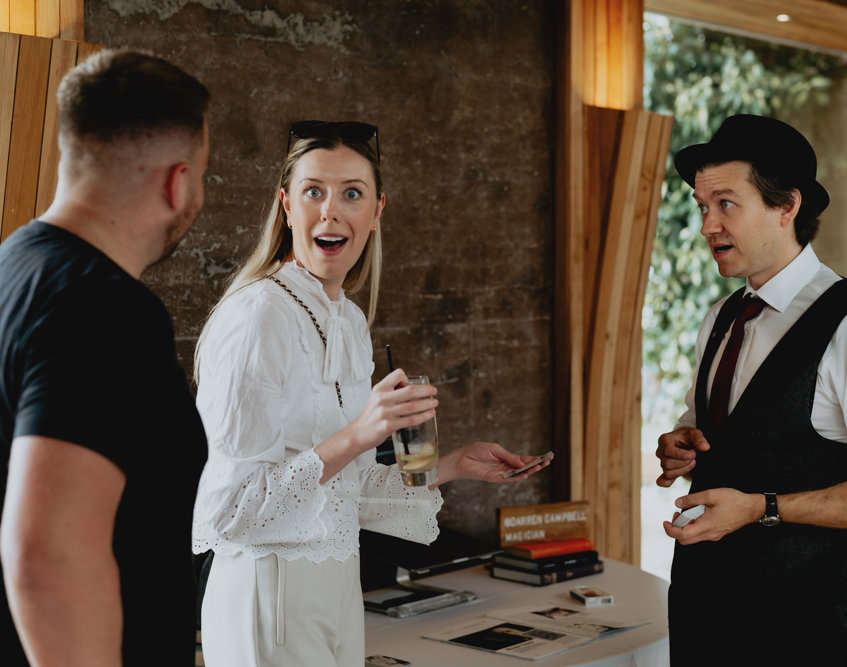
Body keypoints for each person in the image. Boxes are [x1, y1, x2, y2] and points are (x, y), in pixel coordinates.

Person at [192, 120, 550, 666]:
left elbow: (341, 495)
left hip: (337, 589)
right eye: (313, 191)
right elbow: (233, 512)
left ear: (377, 212)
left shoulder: (350, 321)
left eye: (351, 194)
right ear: (286, 205)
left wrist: (450, 466)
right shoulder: (258, 316)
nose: (330, 212)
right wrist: (361, 433)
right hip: (268, 595)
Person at [655, 114, 847, 665]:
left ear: (787, 206)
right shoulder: (719, 317)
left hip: (798, 632)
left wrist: (761, 508)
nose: (708, 225)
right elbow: (730, 432)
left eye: (726, 205)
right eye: (702, 207)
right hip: (701, 612)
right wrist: (683, 446)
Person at [0, 50, 210, 666]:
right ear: (177, 182)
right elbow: (48, 559)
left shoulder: (12, 267)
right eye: (202, 173)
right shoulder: (105, 310)